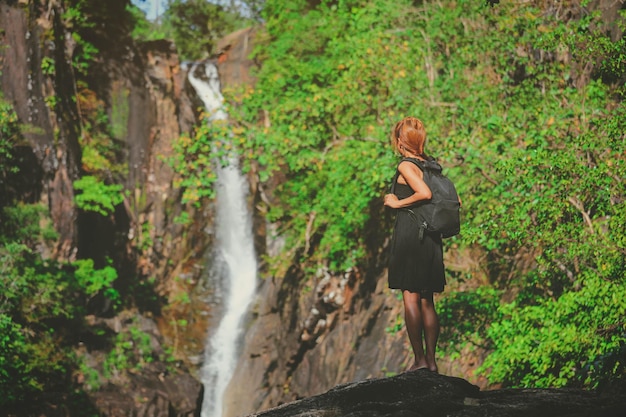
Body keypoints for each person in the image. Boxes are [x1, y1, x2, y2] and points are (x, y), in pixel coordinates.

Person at [383, 116, 446, 373]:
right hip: (430, 237)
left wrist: (396, 203)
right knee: (427, 300)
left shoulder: (406, 166)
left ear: (401, 142)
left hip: (411, 237)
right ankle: (431, 361)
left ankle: (419, 360)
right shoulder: (432, 166)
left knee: (410, 298)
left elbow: (425, 194)